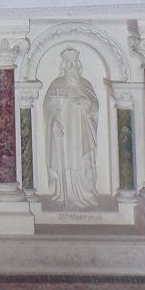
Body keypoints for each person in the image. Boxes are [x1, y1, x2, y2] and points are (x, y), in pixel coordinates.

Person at [43, 48, 100, 208]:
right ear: (64, 66)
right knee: (65, 161)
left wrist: (87, 103)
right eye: (68, 64)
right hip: (64, 133)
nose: (71, 66)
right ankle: (64, 194)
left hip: (81, 132)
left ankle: (86, 193)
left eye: (74, 63)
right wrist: (54, 121)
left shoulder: (85, 84)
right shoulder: (57, 84)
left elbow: (95, 106)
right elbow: (48, 107)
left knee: (83, 161)